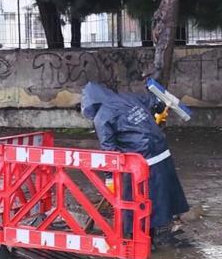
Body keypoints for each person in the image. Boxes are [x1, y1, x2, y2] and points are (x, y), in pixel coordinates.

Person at [80, 81, 192, 248]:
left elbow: (109, 151)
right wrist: (160, 111)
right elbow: (154, 102)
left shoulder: (102, 117)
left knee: (137, 197)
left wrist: (110, 180)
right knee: (163, 194)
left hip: (141, 159)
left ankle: (145, 237)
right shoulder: (129, 98)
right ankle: (161, 232)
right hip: (161, 149)